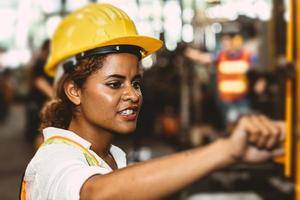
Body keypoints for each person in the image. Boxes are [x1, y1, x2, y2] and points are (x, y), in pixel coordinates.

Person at [21, 3, 285, 200]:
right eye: (115, 84)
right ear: (73, 91)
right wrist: (226, 150)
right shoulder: (53, 160)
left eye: (135, 83)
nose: (133, 95)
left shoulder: (110, 156)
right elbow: (96, 194)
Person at [25, 39, 54, 148]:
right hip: (39, 101)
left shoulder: (45, 63)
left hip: (41, 101)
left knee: (43, 131)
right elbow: (39, 82)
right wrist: (55, 96)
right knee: (41, 131)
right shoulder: (41, 63)